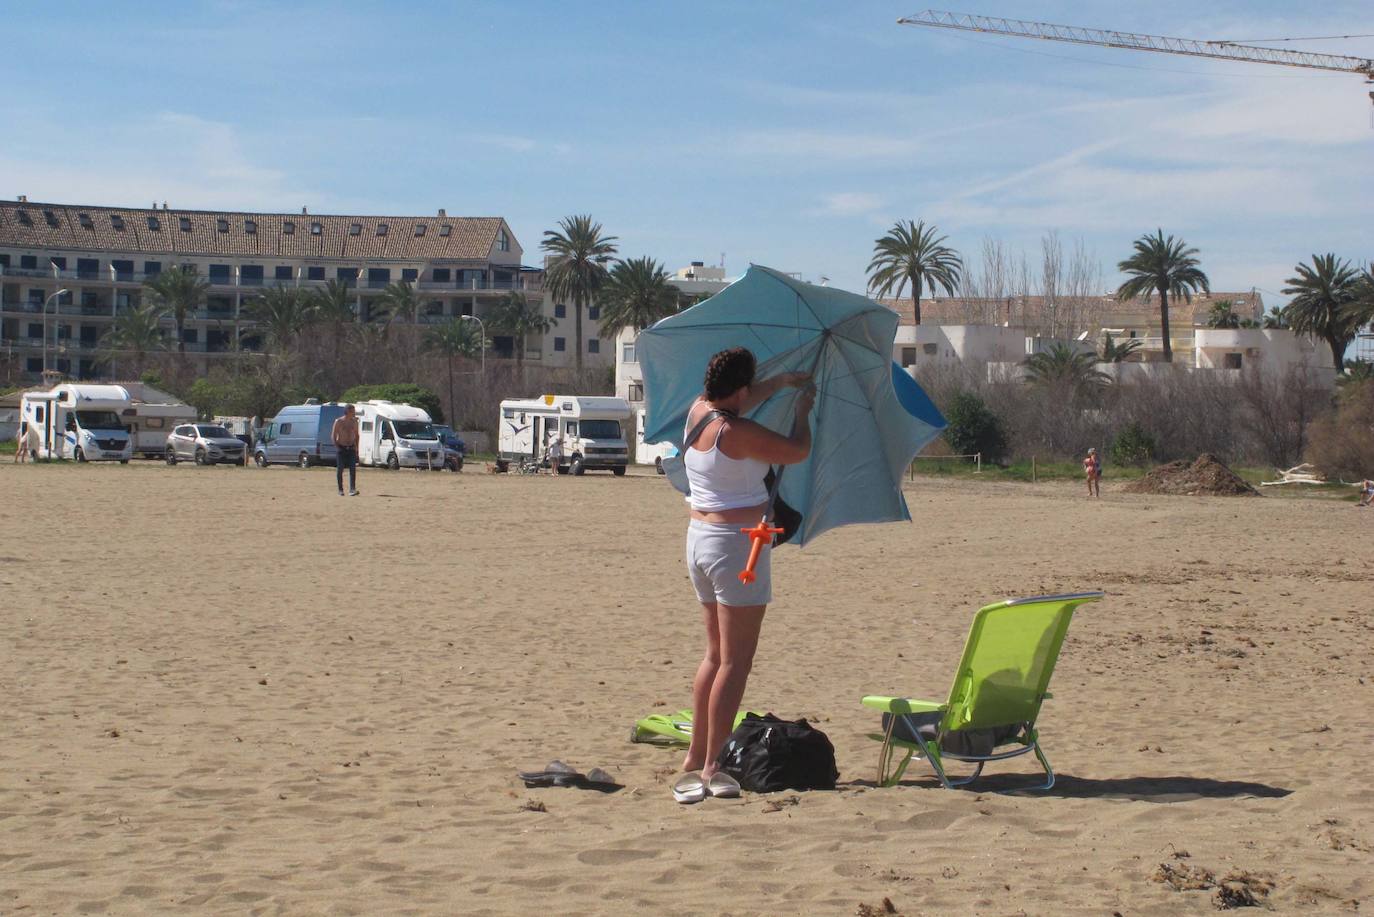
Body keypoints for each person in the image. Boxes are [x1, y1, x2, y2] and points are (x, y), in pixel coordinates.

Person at [679, 347, 813, 797]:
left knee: (714, 655)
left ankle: (696, 753)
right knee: (736, 663)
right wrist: (802, 411)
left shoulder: (698, 411)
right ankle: (713, 765)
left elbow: (738, 400)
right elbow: (797, 451)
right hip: (737, 547)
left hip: (699, 536)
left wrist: (778, 383)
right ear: (739, 391)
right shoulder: (739, 432)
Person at [332, 404, 360, 496]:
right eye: (352, 411)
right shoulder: (339, 421)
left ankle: (352, 489)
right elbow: (333, 435)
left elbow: (357, 435)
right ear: (347, 411)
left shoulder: (354, 422)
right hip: (341, 447)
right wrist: (337, 446)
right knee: (340, 469)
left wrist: (356, 448)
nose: (354, 413)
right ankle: (340, 489)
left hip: (351, 447)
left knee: (353, 469)